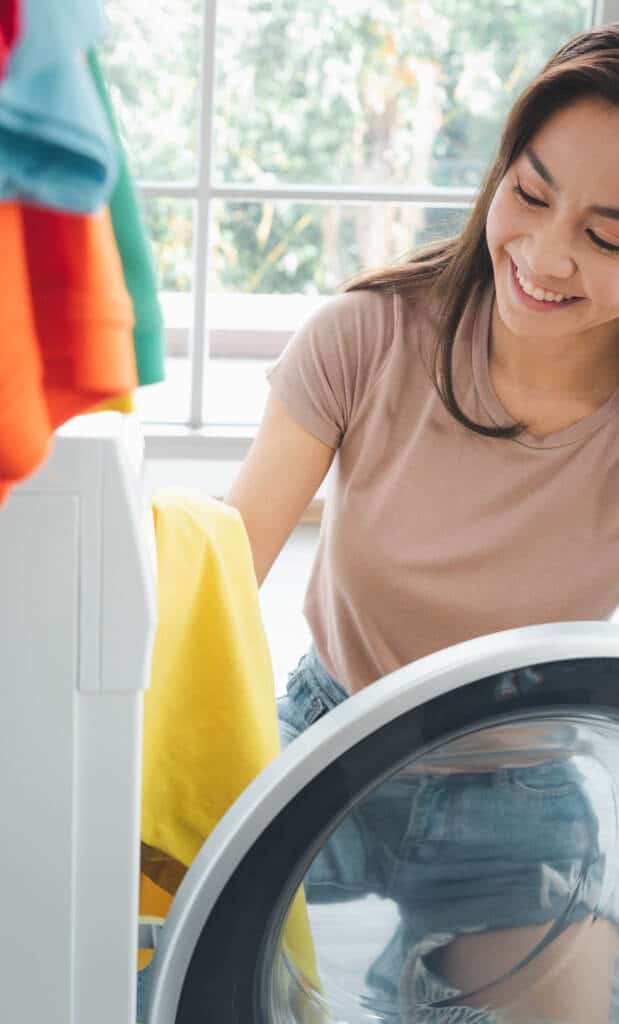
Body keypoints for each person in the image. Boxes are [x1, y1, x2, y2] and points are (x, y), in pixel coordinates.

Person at [226, 23, 619, 1024]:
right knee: (190, 962)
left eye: (605, 235)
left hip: (518, 790)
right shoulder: (364, 338)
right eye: (528, 196)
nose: (541, 253)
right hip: (327, 739)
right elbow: (219, 574)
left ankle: (424, 973)